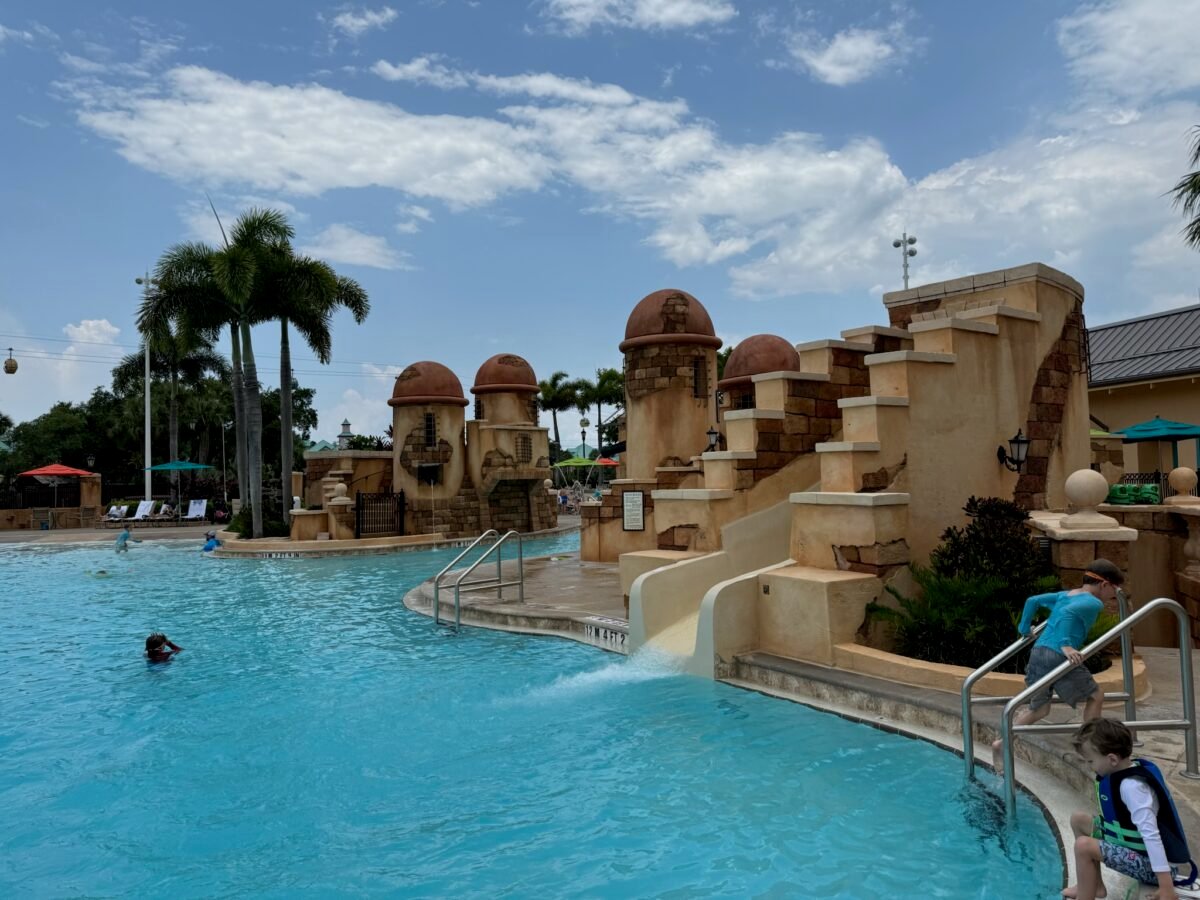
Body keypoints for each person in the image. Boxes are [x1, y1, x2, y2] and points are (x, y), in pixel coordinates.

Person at [992, 559, 1124, 775]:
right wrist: (1065, 645)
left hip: (1038, 651)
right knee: (1096, 695)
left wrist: (1024, 628)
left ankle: (1001, 743)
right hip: (1057, 655)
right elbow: (1067, 615)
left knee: (1040, 708)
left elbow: (1032, 601)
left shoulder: (1067, 595)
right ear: (1104, 585)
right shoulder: (1093, 602)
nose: (1113, 595)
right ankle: (1091, 748)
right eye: (1115, 590)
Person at [1063, 718, 1197, 900]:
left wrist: (1166, 887)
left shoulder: (1132, 788)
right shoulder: (1123, 772)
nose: (1089, 766)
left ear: (1112, 759)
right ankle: (1094, 886)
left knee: (1083, 846)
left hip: (1153, 866)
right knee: (1079, 820)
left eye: (1091, 761)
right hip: (1136, 850)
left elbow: (1151, 835)